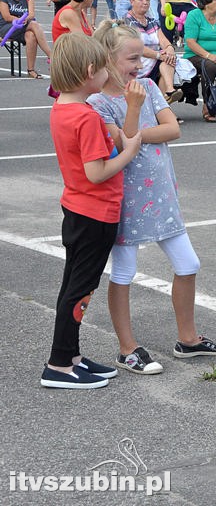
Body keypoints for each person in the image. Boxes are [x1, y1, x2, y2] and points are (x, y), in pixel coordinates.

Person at [89, 21, 216, 373]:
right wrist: (134, 115)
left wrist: (136, 129)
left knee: (188, 264)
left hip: (162, 195)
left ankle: (188, 338)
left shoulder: (149, 86)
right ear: (107, 58)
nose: (139, 65)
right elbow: (124, 141)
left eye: (141, 57)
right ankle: (127, 348)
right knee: (124, 271)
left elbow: (174, 129)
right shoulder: (97, 102)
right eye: (131, 58)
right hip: (125, 200)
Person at [42, 32, 142, 389]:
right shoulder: (84, 117)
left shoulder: (62, 109)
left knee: (73, 286)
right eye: (102, 69)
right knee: (80, 290)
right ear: (89, 72)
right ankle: (59, 365)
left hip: (77, 210)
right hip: (95, 214)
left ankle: (70, 356)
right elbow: (96, 172)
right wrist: (130, 151)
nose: (106, 75)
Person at [123, 0, 179, 101]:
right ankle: (164, 104)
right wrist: (159, 55)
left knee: (168, 61)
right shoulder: (126, 21)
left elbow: (162, 39)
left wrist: (170, 49)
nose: (145, 2)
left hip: (155, 59)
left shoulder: (151, 20)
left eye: (147, 0)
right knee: (165, 62)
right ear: (132, 1)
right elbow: (136, 48)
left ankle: (167, 95)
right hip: (138, 61)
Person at [0, 0, 52, 79]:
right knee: (34, 25)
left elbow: (31, 14)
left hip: (23, 26)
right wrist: (19, 20)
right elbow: (6, 17)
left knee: (31, 35)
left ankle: (31, 70)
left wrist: (25, 19)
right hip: (6, 28)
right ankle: (51, 55)